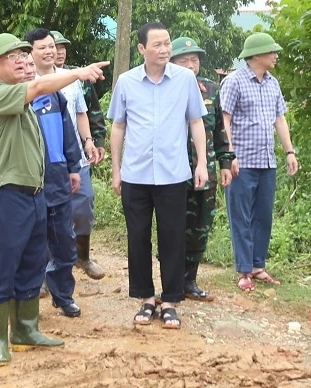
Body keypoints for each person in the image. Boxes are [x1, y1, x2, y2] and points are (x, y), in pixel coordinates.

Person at [0, 32, 107, 365]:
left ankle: (26, 329)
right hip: (7, 193)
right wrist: (78, 73)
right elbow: (36, 88)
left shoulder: (24, 98)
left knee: (34, 262)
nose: (22, 60)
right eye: (14, 57)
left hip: (35, 193)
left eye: (24, 55)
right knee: (5, 265)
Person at [107, 22, 208, 330]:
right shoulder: (126, 82)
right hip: (135, 173)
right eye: (158, 45)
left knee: (172, 238)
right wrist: (116, 168)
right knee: (138, 237)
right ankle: (146, 298)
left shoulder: (184, 80)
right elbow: (118, 126)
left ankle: (171, 300)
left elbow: (195, 122)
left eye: (167, 44)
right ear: (142, 49)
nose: (165, 50)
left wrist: (201, 163)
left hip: (173, 173)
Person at [220, 32, 299, 290]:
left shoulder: (272, 83)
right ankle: (243, 271)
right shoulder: (234, 82)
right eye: (271, 51)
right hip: (241, 161)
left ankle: (258, 265)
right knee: (241, 216)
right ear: (256, 55)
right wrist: (229, 154)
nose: (276, 55)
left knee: (263, 216)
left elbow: (280, 119)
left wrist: (289, 152)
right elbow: (225, 120)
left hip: (267, 161)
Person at [22, 31, 84, 318]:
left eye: (51, 47)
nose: (29, 71)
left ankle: (63, 295)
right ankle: (27, 300)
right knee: (30, 244)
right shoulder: (12, 100)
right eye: (40, 49)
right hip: (26, 184)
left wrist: (73, 168)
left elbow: (69, 135)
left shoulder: (54, 98)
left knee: (63, 242)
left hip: (57, 178)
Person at [169, 36, 234, 301]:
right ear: (171, 62)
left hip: (204, 172)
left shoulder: (211, 89)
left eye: (194, 60)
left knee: (200, 226)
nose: (190, 65)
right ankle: (170, 282)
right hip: (172, 172)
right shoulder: (165, 88)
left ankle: (189, 281)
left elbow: (220, 130)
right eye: (183, 61)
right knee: (172, 227)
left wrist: (226, 162)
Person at [51, 31, 107, 279]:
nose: (59, 51)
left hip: (76, 157)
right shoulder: (31, 79)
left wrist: (90, 141)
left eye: (62, 47)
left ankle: (82, 257)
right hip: (47, 159)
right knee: (47, 213)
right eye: (54, 46)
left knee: (84, 205)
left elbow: (86, 112)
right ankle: (45, 270)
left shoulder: (75, 79)